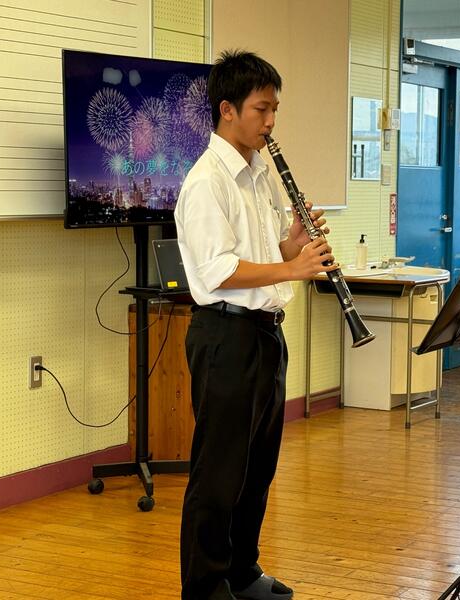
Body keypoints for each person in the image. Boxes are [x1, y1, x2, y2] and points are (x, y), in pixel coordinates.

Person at [175, 50, 333, 600]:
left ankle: (241, 571)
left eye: (274, 110)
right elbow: (218, 271)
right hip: (225, 335)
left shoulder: (259, 175)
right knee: (218, 473)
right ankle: (204, 586)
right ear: (227, 110)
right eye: (261, 110)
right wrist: (294, 267)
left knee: (257, 467)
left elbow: (263, 256)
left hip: (265, 332)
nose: (270, 122)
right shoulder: (206, 182)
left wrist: (293, 243)